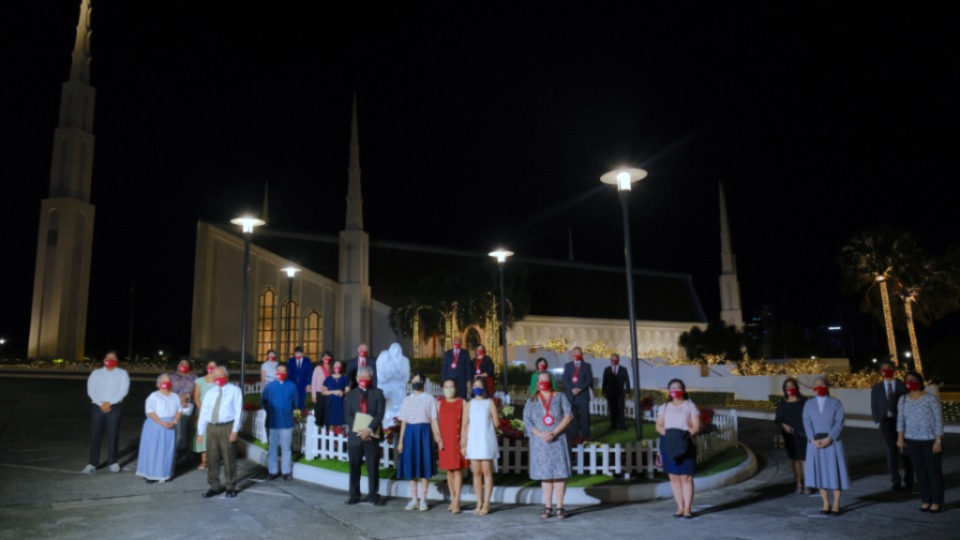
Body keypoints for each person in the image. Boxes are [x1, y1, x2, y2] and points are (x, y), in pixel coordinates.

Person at [524, 372, 574, 520]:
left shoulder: (560, 396)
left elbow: (568, 415)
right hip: (540, 443)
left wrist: (554, 432)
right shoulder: (531, 401)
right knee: (545, 476)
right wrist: (540, 434)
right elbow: (527, 421)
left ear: (551, 382)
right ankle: (548, 507)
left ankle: (560, 507)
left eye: (547, 380)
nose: (544, 383)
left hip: (558, 441)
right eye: (541, 380)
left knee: (559, 474)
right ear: (537, 383)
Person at [897, 371, 945, 513]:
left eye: (913, 379)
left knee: (933, 471)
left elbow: (938, 419)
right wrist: (900, 437)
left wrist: (938, 440)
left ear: (919, 381)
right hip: (911, 440)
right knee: (920, 471)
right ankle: (925, 500)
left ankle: (936, 501)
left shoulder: (930, 399)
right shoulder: (903, 399)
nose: (910, 382)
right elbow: (901, 419)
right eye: (907, 380)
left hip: (930, 440)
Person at [803, 377, 850, 515]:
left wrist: (830, 437)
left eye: (821, 384)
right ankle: (825, 502)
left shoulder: (835, 402)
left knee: (835, 471)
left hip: (832, 441)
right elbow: (807, 422)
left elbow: (839, 422)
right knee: (820, 472)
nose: (819, 386)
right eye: (815, 384)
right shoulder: (809, 404)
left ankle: (836, 503)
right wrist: (812, 439)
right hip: (815, 443)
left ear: (827, 386)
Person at [656, 378, 700, 519]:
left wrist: (683, 436)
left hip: (685, 443)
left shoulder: (690, 405)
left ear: (684, 390)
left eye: (678, 387)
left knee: (686, 477)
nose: (675, 390)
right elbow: (659, 425)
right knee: (674, 477)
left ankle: (687, 508)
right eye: (672, 388)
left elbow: (696, 427)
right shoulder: (665, 406)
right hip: (668, 444)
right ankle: (680, 508)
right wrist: (670, 436)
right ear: (669, 391)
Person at [397, 372, 442, 512]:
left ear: (422, 382)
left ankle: (423, 500)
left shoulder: (430, 399)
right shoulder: (407, 400)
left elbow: (434, 418)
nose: (414, 382)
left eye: (417, 380)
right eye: (413, 380)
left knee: (424, 465)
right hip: (410, 433)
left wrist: (437, 435)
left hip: (424, 432)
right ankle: (414, 499)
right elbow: (403, 421)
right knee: (411, 466)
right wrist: (400, 441)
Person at [196, 366, 243, 498]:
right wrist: (200, 432)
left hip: (227, 427)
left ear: (226, 376)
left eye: (220, 375)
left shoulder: (235, 391)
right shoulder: (210, 393)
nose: (217, 378)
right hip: (212, 428)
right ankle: (214, 486)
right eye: (215, 376)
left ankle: (230, 486)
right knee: (212, 458)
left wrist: (235, 430)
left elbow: (238, 413)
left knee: (229, 457)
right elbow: (204, 413)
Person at [343, 367, 386, 505]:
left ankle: (373, 495)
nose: (364, 379)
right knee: (354, 466)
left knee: (373, 467)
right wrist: (360, 431)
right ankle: (354, 495)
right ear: (356, 378)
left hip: (371, 436)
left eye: (367, 377)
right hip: (355, 437)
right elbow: (348, 415)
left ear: (372, 379)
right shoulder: (350, 395)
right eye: (362, 377)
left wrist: (369, 430)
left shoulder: (378, 393)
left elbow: (379, 414)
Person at [82, 351, 130, 474]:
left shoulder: (122, 374)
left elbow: (123, 391)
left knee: (113, 435)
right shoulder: (96, 373)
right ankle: (92, 463)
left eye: (113, 358)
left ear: (117, 361)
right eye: (108, 358)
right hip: (97, 407)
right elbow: (91, 390)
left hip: (114, 408)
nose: (110, 359)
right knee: (95, 435)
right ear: (104, 360)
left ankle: (113, 462)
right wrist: (100, 404)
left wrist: (110, 403)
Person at [871, 362, 913, 491]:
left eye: (888, 369)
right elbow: (874, 406)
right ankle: (896, 480)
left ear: (893, 370)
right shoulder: (877, 388)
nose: (886, 371)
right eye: (883, 369)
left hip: (902, 421)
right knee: (891, 451)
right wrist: (878, 421)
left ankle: (909, 480)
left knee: (905, 450)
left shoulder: (902, 385)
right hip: (886, 422)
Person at [462, 376, 499, 516]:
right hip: (473, 440)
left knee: (486, 471)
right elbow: (464, 424)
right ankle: (478, 501)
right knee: (476, 472)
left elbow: (496, 422)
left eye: (480, 385)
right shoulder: (468, 404)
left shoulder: (489, 402)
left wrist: (487, 425)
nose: (477, 388)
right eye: (475, 385)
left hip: (485, 440)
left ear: (484, 388)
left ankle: (486, 503)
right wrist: (463, 441)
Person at [136, 373, 183, 483]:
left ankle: (165, 473)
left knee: (167, 451)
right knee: (153, 450)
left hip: (170, 426)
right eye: (163, 381)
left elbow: (180, 410)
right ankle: (151, 474)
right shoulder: (153, 396)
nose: (165, 383)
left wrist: (174, 421)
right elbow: (150, 412)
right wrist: (162, 423)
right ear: (158, 384)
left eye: (167, 380)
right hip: (155, 425)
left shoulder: (175, 396)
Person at [262, 364, 298, 481]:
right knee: (272, 448)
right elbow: (264, 402)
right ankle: (272, 471)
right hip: (272, 422)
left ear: (287, 373)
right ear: (275, 372)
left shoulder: (292, 386)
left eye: (283, 371)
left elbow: (296, 402)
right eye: (279, 370)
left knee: (286, 448)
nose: (281, 372)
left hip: (286, 422)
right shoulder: (269, 386)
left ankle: (286, 472)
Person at [438, 379, 468, 514]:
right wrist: (438, 438)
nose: (449, 389)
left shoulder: (462, 403)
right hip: (445, 441)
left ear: (456, 388)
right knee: (449, 471)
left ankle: (457, 500)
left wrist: (464, 438)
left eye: (451, 387)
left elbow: (466, 422)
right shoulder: (439, 404)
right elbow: (435, 422)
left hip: (457, 440)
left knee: (457, 470)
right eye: (446, 387)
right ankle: (453, 497)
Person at [775, 378, 809, 494]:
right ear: (784, 389)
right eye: (787, 387)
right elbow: (778, 419)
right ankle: (798, 484)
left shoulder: (804, 400)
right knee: (795, 460)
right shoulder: (782, 403)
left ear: (797, 387)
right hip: (790, 436)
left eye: (792, 386)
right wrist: (784, 425)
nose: (790, 389)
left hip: (803, 434)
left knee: (805, 459)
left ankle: (808, 484)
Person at [562, 347, 593, 441]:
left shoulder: (587, 366)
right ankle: (574, 435)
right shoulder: (567, 366)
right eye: (575, 353)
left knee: (585, 416)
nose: (577, 354)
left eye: (579, 353)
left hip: (583, 395)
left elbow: (589, 380)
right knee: (572, 416)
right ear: (572, 354)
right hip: (571, 396)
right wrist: (571, 389)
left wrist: (580, 389)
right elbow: (565, 379)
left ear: (582, 354)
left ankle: (585, 436)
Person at [192, 360, 218, 470]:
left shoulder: (219, 381)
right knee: (203, 433)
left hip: (217, 413)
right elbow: (196, 397)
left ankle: (214, 459)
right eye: (209, 365)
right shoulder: (199, 381)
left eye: (214, 365)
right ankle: (204, 459)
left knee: (215, 434)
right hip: (203, 412)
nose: (211, 367)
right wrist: (202, 409)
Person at [169, 356, 197, 457]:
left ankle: (185, 450)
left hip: (188, 403)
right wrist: (178, 396)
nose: (184, 366)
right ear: (177, 365)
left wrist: (187, 396)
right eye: (182, 363)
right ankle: (174, 449)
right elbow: (167, 389)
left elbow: (196, 391)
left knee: (186, 427)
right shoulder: (171, 377)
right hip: (173, 403)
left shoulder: (194, 377)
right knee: (175, 426)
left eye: (186, 364)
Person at [601, 353, 630, 430]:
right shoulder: (607, 370)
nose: (613, 360)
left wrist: (627, 392)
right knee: (612, 409)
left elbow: (627, 381)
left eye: (615, 358)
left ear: (618, 360)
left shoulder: (623, 370)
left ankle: (622, 425)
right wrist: (603, 391)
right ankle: (613, 425)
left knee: (621, 409)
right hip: (610, 393)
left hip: (620, 393)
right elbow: (604, 381)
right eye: (612, 359)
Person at [322, 360, 349, 427]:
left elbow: (348, 389)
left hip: (341, 404)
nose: (338, 367)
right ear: (333, 367)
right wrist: (334, 392)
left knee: (340, 425)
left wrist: (343, 393)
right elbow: (323, 392)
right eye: (336, 365)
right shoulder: (328, 379)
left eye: (339, 366)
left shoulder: (344, 378)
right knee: (331, 424)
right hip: (330, 404)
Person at [287, 346, 313, 410]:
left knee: (302, 400)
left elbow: (310, 373)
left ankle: (301, 414)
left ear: (302, 353)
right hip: (293, 383)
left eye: (299, 353)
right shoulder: (291, 361)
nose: (297, 355)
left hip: (303, 384)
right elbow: (288, 373)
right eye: (296, 353)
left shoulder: (307, 361)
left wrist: (309, 384)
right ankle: (293, 414)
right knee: (293, 399)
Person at [311, 351, 334, 425]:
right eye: (325, 356)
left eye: (328, 356)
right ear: (322, 358)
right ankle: (319, 430)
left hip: (330, 394)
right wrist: (313, 395)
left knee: (329, 414)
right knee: (319, 413)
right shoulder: (318, 368)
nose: (327, 358)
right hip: (319, 394)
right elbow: (314, 382)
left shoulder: (333, 369)